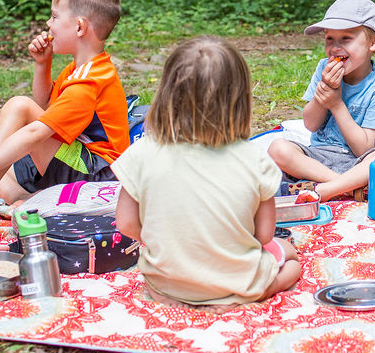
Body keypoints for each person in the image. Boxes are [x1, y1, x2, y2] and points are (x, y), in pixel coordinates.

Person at [112, 36, 301, 306]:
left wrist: (170, 243)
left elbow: (126, 223)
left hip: (164, 286)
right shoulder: (253, 159)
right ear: (239, 101)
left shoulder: (142, 152)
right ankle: (252, 293)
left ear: (166, 96)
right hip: (238, 283)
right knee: (291, 258)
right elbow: (263, 236)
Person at [0, 0, 129, 221]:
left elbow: (35, 130)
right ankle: (30, 198)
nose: (48, 24)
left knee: (17, 108)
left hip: (97, 174)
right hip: (70, 159)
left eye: (54, 16)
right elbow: (45, 107)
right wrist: (43, 63)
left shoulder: (90, 80)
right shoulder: (80, 68)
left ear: (80, 27)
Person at [267, 0, 375, 201]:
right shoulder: (322, 69)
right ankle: (349, 189)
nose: (335, 48)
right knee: (278, 148)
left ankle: (323, 190)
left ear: (373, 42)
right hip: (319, 160)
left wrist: (336, 104)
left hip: (359, 163)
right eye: (329, 39)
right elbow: (310, 124)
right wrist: (324, 90)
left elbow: (364, 148)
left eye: (346, 39)